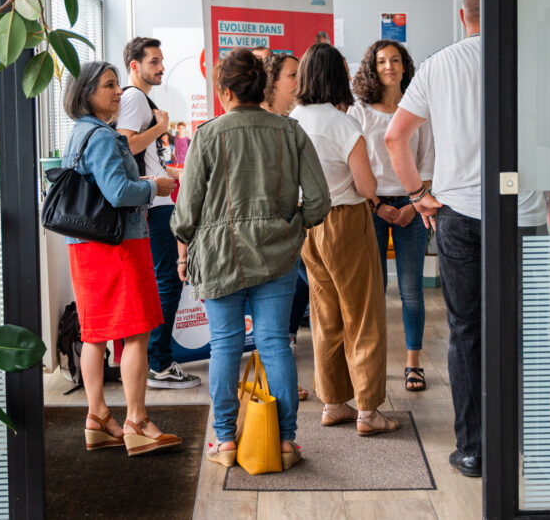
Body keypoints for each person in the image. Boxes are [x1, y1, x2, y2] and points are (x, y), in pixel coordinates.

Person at [171, 49, 331, 469]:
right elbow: (319, 201)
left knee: (224, 345)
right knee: (274, 343)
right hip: (277, 252)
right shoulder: (290, 132)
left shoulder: (207, 135)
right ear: (262, 88)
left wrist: (184, 245)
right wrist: (294, 226)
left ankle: (225, 440)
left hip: (220, 254)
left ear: (225, 92)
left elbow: (187, 211)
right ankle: (285, 441)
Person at [384, 0, 482, 477]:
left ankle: (472, 449)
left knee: (466, 329)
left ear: (462, 15)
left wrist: (419, 196)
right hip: (521, 211)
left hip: (459, 212)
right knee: (522, 330)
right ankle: (530, 441)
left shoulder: (440, 63)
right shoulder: (525, 56)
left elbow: (394, 135)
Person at [61, 60, 182, 455]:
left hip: (85, 245)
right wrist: (154, 187)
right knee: (136, 334)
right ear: (86, 92)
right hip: (118, 247)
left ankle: (97, 417)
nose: (118, 92)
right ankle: (137, 421)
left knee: (94, 333)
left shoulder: (77, 134)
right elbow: (117, 193)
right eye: (110, 85)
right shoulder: (103, 137)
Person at [290, 43, 401, 437]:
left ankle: (334, 402)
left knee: (326, 313)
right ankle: (369, 412)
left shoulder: (293, 119)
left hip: (309, 224)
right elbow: (366, 184)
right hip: (346, 220)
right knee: (364, 314)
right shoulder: (343, 124)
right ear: (337, 77)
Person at [348, 40, 434, 393]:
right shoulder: (360, 113)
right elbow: (354, 166)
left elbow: (429, 160)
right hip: (372, 207)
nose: (389, 67)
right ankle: (375, 362)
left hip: (412, 206)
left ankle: (413, 364)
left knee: (412, 290)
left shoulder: (418, 110)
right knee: (375, 290)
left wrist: (414, 204)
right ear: (373, 67)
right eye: (382, 61)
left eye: (395, 60)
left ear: (404, 66)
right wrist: (378, 205)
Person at [115, 37, 201, 390]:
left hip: (155, 200)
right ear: (134, 66)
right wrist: (160, 128)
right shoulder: (135, 97)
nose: (161, 67)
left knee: (161, 282)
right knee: (166, 282)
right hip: (153, 206)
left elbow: (143, 154)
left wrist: (174, 173)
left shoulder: (140, 99)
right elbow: (124, 146)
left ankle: (155, 360)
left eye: (162, 60)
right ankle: (160, 364)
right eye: (154, 61)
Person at [261, 52, 311, 401]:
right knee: (270, 331)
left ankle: (277, 390)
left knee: (275, 329)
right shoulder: (271, 126)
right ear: (273, 82)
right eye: (292, 75)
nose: (299, 82)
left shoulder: (290, 124)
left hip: (283, 234)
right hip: (268, 238)